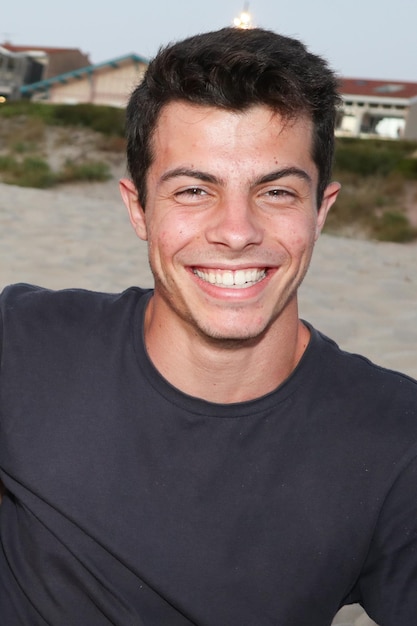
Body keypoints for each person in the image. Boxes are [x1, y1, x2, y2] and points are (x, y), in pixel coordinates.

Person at [0, 26, 416, 626]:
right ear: (138, 208)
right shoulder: (25, 341)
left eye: (276, 192)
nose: (237, 230)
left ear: (321, 210)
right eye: (195, 189)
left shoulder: (396, 437)